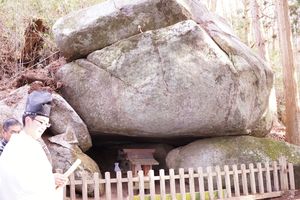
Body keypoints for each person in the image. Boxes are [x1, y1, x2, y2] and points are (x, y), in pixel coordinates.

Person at [0, 90, 67, 200]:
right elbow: (15, 182)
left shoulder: (33, 144)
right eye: (41, 122)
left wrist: (54, 182)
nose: (43, 127)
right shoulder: (17, 145)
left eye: (46, 124)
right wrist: (49, 180)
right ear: (28, 120)